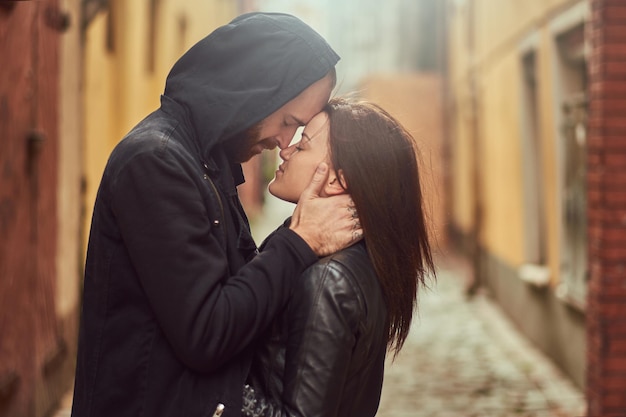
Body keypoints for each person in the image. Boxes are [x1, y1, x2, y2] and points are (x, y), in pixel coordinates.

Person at [70, 13, 362, 417]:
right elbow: (206, 332)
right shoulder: (157, 162)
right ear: (253, 91)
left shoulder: (206, 161)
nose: (283, 143)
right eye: (287, 122)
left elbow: (236, 289)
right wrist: (299, 242)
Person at [240, 98, 436, 417]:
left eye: (302, 145)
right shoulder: (356, 258)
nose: (285, 150)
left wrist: (217, 398)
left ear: (337, 180)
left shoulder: (328, 280)